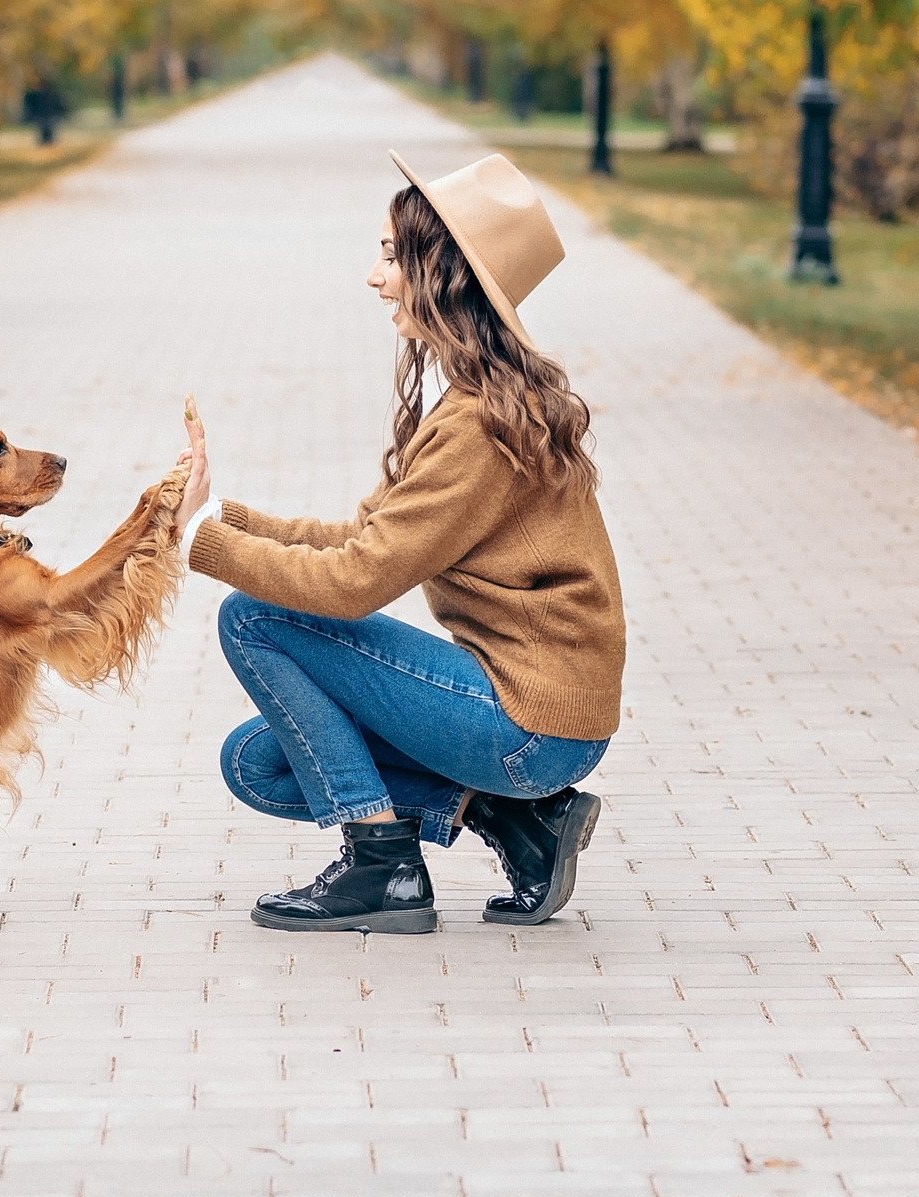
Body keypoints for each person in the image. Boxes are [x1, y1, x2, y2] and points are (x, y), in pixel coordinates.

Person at [173, 150, 624, 933]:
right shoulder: (476, 403)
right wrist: (220, 518)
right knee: (261, 761)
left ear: (440, 273)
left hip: (533, 725)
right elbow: (363, 536)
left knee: (252, 618)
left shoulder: (480, 427)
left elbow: (354, 581)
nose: (374, 276)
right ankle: (519, 822)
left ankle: (382, 868)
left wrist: (201, 548)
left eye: (390, 255)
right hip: (531, 721)